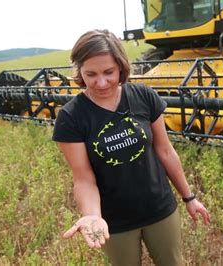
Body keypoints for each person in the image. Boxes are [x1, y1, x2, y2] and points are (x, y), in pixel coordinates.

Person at [52, 29, 210, 265]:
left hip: (159, 209)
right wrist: (93, 216)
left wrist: (189, 197)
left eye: (109, 72)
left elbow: (165, 151)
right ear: (79, 72)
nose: (101, 82)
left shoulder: (143, 96)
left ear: (121, 67)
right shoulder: (71, 117)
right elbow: (84, 178)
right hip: (114, 221)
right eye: (91, 74)